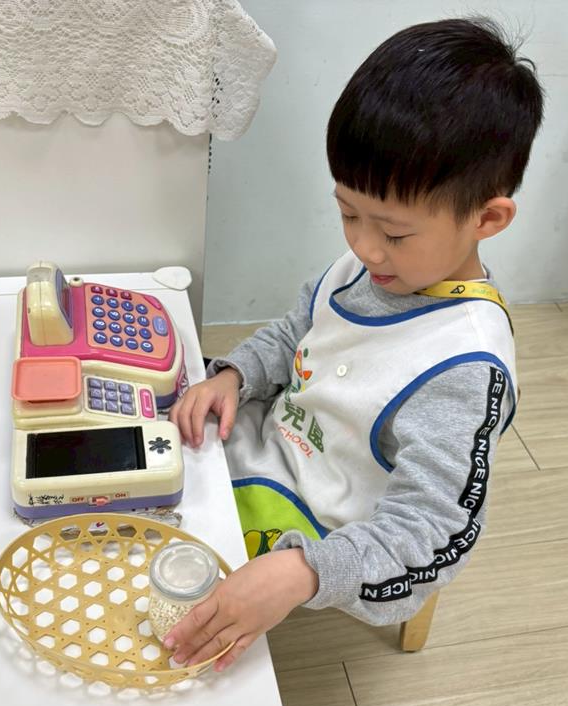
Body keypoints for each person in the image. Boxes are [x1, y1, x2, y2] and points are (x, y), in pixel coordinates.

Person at [166, 16, 544, 672]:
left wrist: (303, 571)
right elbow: (297, 330)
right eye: (347, 213)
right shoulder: (372, 266)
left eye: (393, 233)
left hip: (326, 531)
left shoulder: (465, 369)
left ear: (488, 217)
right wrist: (235, 375)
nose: (364, 247)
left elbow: (433, 534)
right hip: (267, 446)